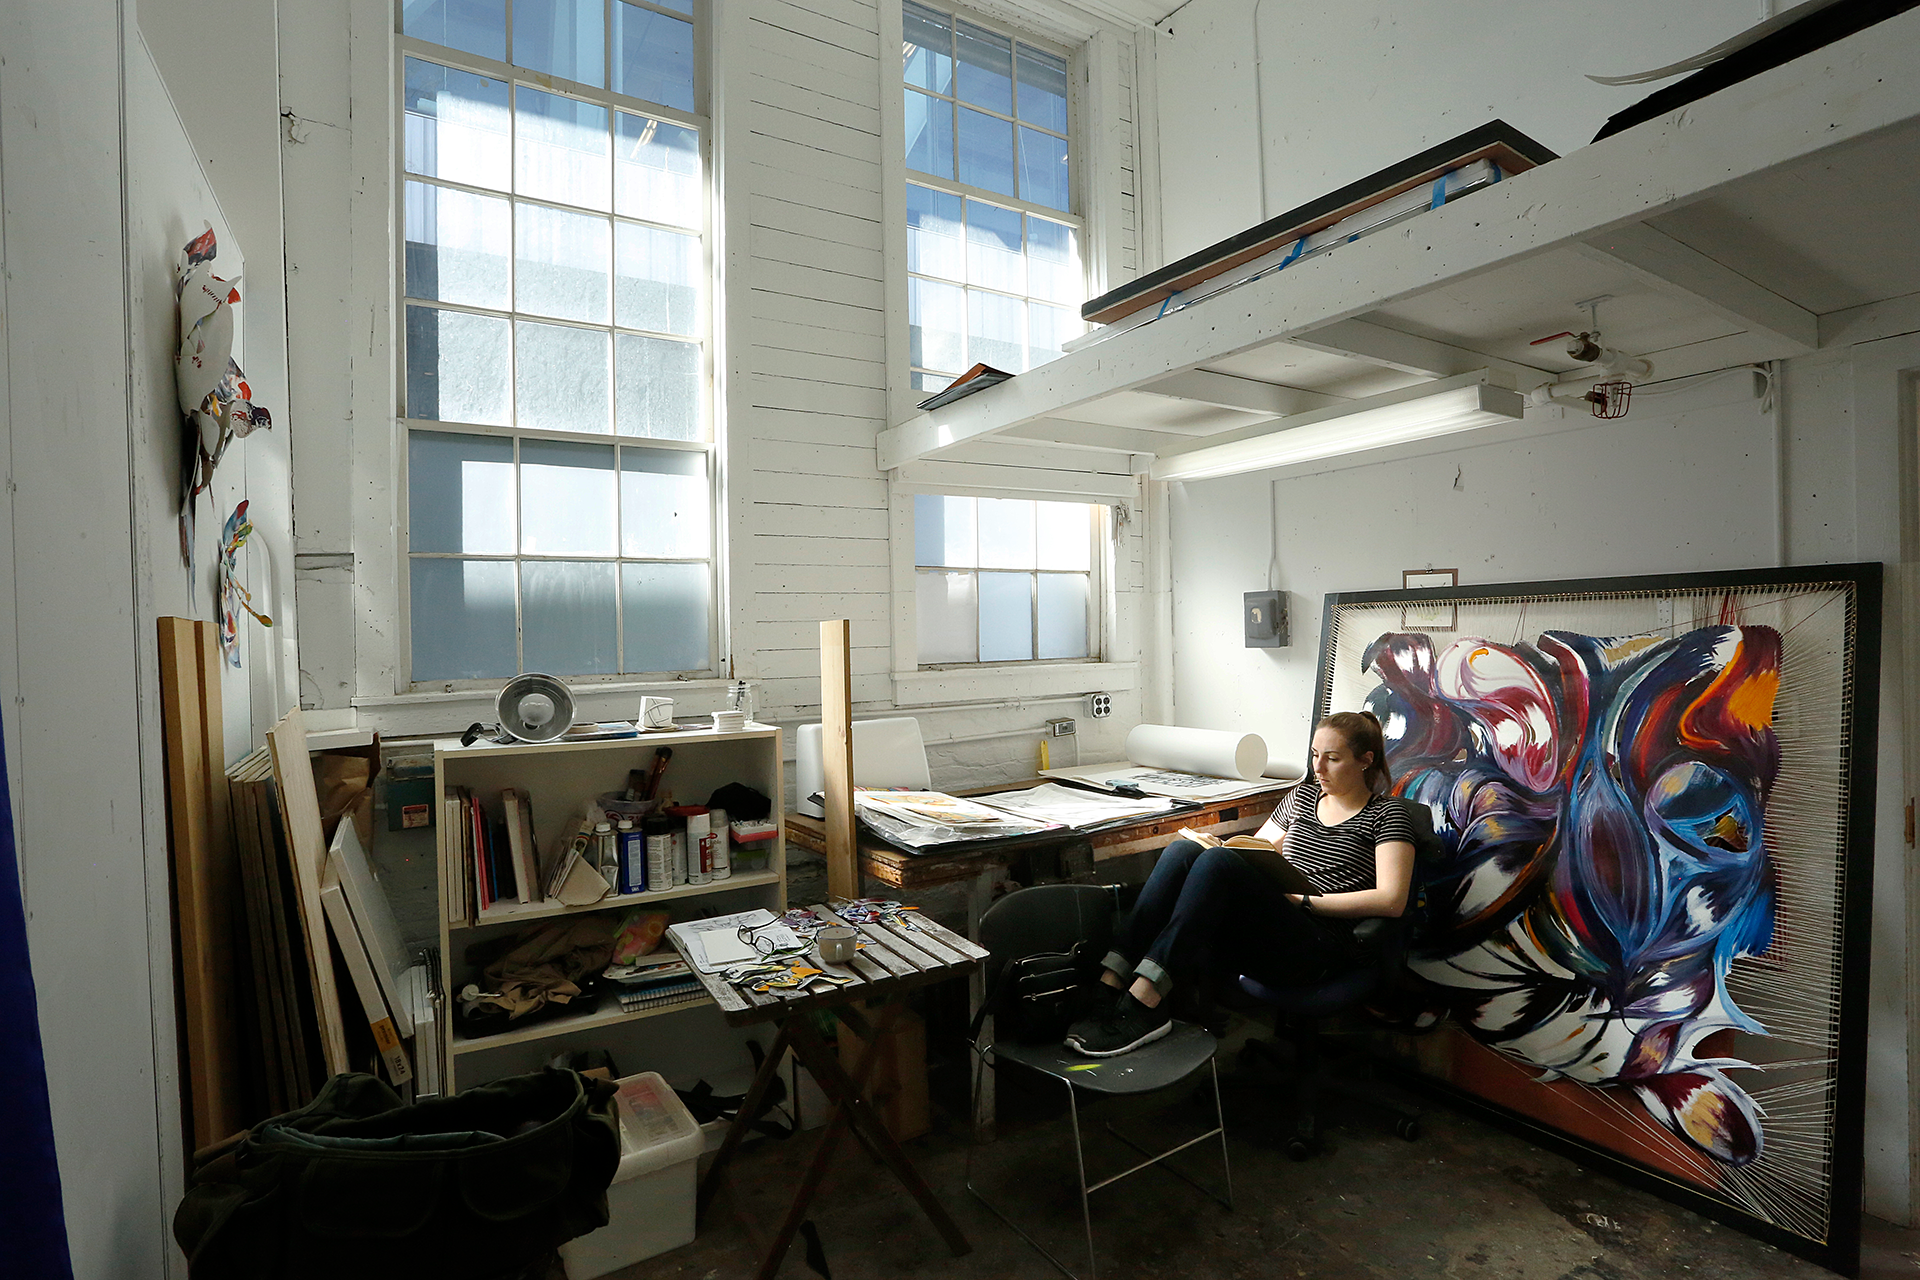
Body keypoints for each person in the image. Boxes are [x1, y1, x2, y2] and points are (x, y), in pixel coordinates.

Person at [1065, 710, 1417, 1057]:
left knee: (1219, 864)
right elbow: (1255, 852)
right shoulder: (1302, 799)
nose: (1318, 768)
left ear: (1365, 761)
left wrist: (1305, 902)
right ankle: (1108, 988)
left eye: (1333, 759)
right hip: (1274, 930)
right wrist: (1216, 845)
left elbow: (1391, 899)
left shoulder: (1387, 815)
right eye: (1314, 756)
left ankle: (1146, 1002)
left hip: (1320, 948)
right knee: (1184, 851)